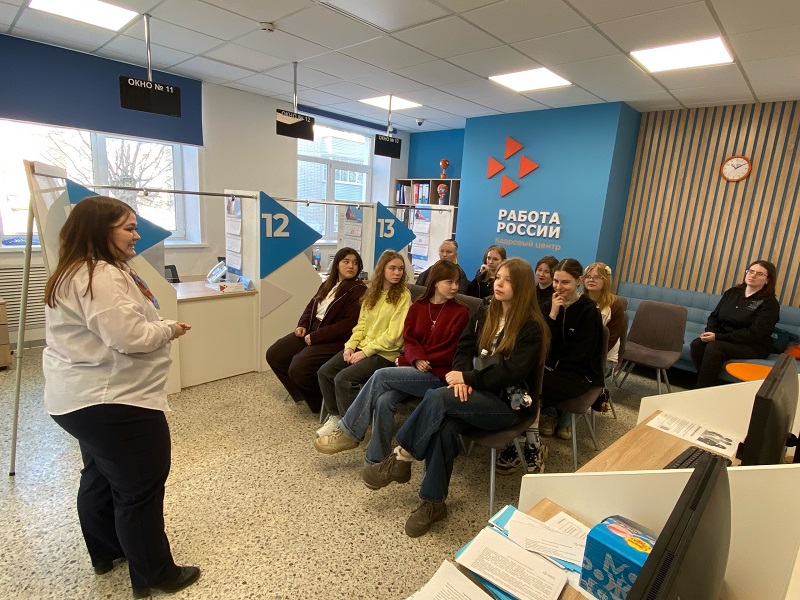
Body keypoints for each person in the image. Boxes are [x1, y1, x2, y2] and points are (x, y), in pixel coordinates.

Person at [42, 196, 200, 598]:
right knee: (140, 487)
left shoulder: (74, 270)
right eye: (129, 228)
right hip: (114, 402)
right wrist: (167, 328)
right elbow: (130, 338)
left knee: (99, 475)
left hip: (79, 399)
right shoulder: (100, 276)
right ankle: (155, 574)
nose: (136, 235)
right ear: (101, 231)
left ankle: (107, 551)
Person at [360, 258, 549, 537]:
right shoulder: (487, 308)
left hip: (508, 403)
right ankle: (433, 503)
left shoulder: (531, 326)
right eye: (498, 277)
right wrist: (461, 375)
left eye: (507, 280)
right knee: (444, 427)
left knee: (438, 398)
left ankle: (402, 457)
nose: (498, 283)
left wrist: (468, 379)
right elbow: (465, 346)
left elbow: (512, 372)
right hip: (475, 391)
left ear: (521, 286)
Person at [314, 260, 470, 463]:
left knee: (380, 376)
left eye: (457, 282)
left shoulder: (460, 311)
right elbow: (409, 338)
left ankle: (350, 431)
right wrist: (414, 358)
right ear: (435, 282)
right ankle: (376, 459)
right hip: (415, 369)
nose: (455, 287)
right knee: (383, 401)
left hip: (437, 374)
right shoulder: (419, 306)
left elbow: (451, 349)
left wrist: (417, 359)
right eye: (449, 282)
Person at [316, 250, 412, 435]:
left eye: (400, 269)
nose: (397, 273)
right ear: (382, 269)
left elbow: (394, 336)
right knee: (325, 372)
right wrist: (350, 346)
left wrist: (365, 352)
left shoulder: (403, 295)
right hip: (364, 346)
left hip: (385, 353)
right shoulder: (371, 293)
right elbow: (361, 325)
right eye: (392, 268)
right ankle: (336, 417)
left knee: (344, 379)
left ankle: (349, 428)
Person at [266, 247, 366, 413]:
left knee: (299, 368)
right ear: (337, 264)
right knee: (275, 354)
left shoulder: (358, 290)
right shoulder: (328, 284)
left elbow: (349, 325)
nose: (351, 266)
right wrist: (302, 324)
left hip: (335, 339)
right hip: (313, 330)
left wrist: (316, 336)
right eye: (346, 262)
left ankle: (322, 403)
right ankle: (301, 393)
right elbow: (311, 306)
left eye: (355, 263)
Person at [538, 258, 604, 441]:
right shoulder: (548, 306)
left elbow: (583, 354)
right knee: (525, 379)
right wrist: (553, 315)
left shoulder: (588, 311)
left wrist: (553, 364)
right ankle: (544, 417)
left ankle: (542, 423)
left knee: (536, 387)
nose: (559, 287)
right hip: (551, 367)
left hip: (578, 372)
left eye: (565, 282)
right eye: (556, 281)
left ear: (579, 281)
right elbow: (541, 344)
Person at [690, 260, 780, 388]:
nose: (753, 275)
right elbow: (714, 316)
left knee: (714, 347)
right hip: (725, 338)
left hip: (752, 344)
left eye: (760, 274)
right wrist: (710, 332)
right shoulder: (732, 293)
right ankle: (709, 385)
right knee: (697, 344)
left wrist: (718, 337)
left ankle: (702, 388)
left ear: (768, 280)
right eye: (751, 271)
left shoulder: (770, 303)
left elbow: (755, 333)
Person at [582, 262, 625, 374]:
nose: (591, 280)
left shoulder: (615, 305)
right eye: (588, 276)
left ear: (606, 280)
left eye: (597, 277)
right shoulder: (578, 299)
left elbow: (610, 340)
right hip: (580, 351)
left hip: (604, 357)